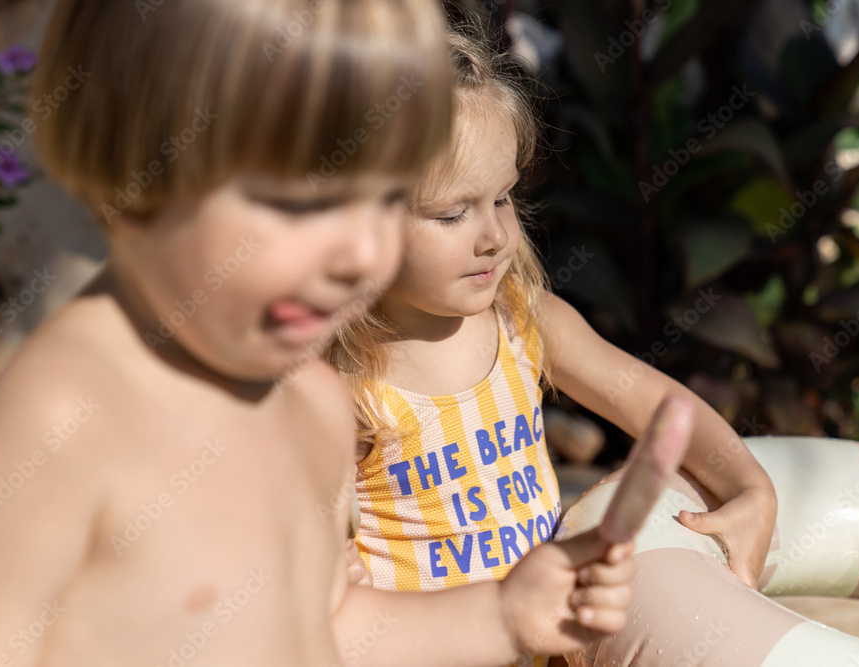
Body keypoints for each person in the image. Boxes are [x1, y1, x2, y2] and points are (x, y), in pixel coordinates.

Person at [0, 2, 637, 666]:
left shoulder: (315, 403)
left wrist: (503, 615)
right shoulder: (51, 421)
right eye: (299, 204)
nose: (361, 253)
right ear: (131, 176)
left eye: (387, 199)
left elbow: (330, 623)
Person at [328, 27, 778, 665]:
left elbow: (664, 411)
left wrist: (750, 488)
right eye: (453, 214)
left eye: (503, 198)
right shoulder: (343, 382)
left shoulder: (527, 323)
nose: (493, 236)